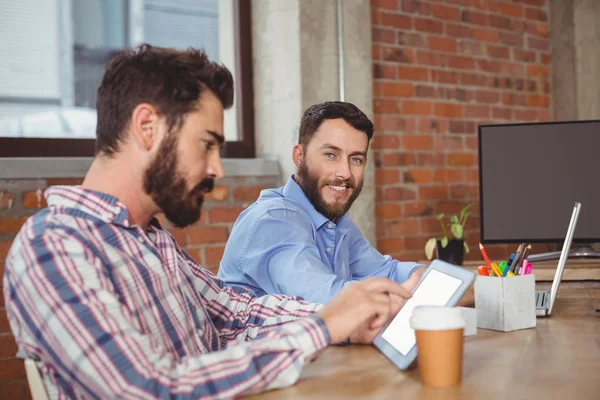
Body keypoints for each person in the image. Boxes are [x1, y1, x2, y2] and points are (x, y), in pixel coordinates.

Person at [2, 45, 417, 399]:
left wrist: (343, 318)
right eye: (207, 144)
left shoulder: (149, 238)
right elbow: (152, 387)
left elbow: (234, 311)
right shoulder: (54, 247)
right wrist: (324, 325)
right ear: (146, 127)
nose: (217, 168)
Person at [218, 101, 426, 304]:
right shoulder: (272, 220)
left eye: (356, 159)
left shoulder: (336, 223)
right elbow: (327, 301)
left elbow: (388, 272)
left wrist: (429, 277)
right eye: (330, 154)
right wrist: (409, 294)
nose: (345, 172)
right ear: (299, 156)